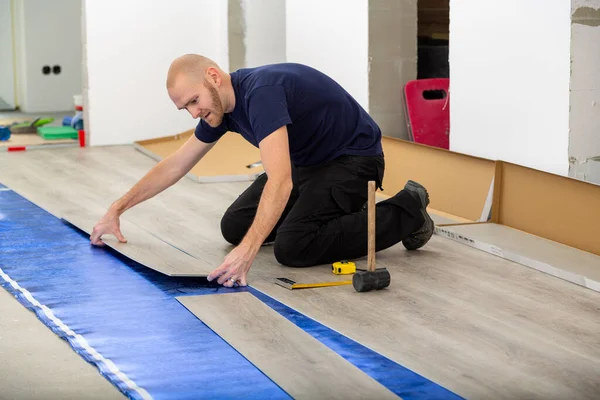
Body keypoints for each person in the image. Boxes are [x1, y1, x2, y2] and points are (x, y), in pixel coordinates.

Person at [90, 54, 434, 288]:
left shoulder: (261, 94)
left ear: (214, 77)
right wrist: (116, 209)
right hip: (310, 163)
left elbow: (281, 180)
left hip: (354, 160)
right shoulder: (221, 109)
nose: (193, 113)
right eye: (185, 108)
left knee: (293, 248)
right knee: (235, 227)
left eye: (194, 101)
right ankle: (334, 214)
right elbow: (176, 164)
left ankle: (409, 209)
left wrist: (249, 252)